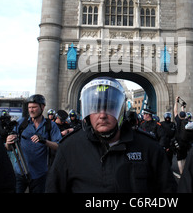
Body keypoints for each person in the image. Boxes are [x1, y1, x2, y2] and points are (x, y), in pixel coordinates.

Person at [45, 77, 177, 193]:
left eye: (110, 107)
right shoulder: (69, 148)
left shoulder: (149, 148)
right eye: (95, 108)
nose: (102, 115)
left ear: (121, 110)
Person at [5, 94, 62, 193]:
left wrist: (44, 141)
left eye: (34, 107)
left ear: (42, 107)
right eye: (29, 107)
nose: (31, 110)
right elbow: (9, 147)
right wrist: (8, 142)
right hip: (20, 172)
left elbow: (59, 146)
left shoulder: (50, 126)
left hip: (40, 174)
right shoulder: (21, 123)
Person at [173, 96, 193, 174]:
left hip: (179, 142)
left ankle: (181, 172)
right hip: (186, 141)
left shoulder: (178, 120)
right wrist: (183, 107)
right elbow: (184, 114)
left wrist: (176, 102)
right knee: (184, 157)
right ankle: (185, 171)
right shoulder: (186, 120)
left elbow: (175, 111)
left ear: (179, 116)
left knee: (179, 158)